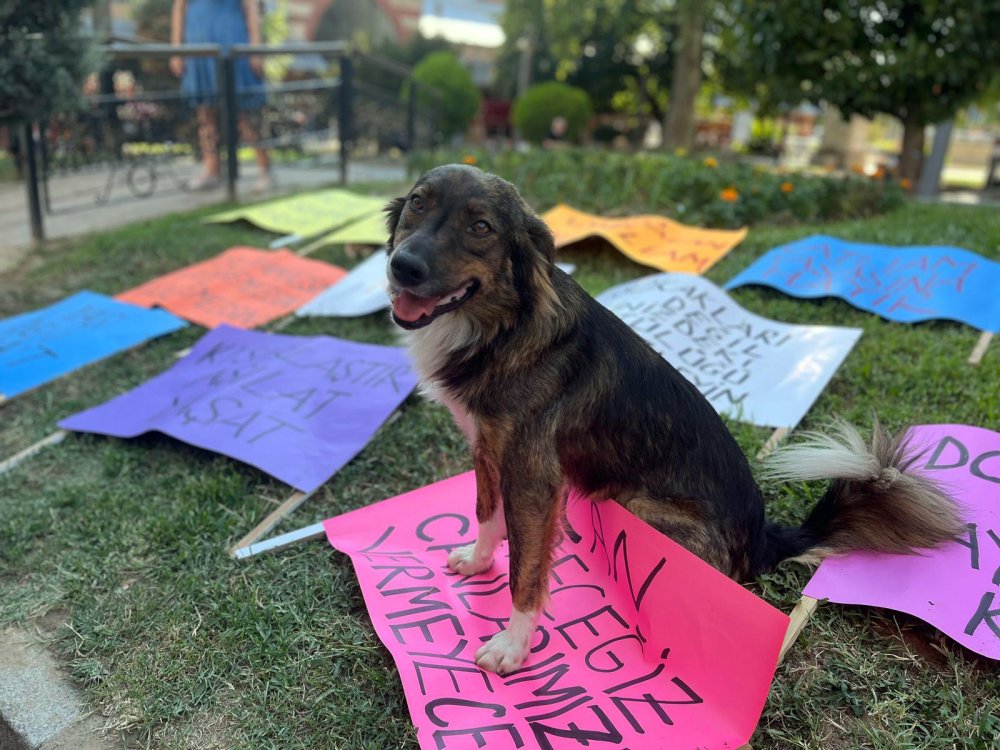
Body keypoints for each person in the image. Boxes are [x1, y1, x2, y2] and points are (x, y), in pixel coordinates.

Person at [170, 0, 272, 192]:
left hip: (230, 38)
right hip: (197, 43)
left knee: (244, 113)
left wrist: (255, 49)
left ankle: (264, 170)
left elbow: (251, 7)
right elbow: (179, 7)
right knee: (205, 112)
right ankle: (212, 170)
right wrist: (176, 50)